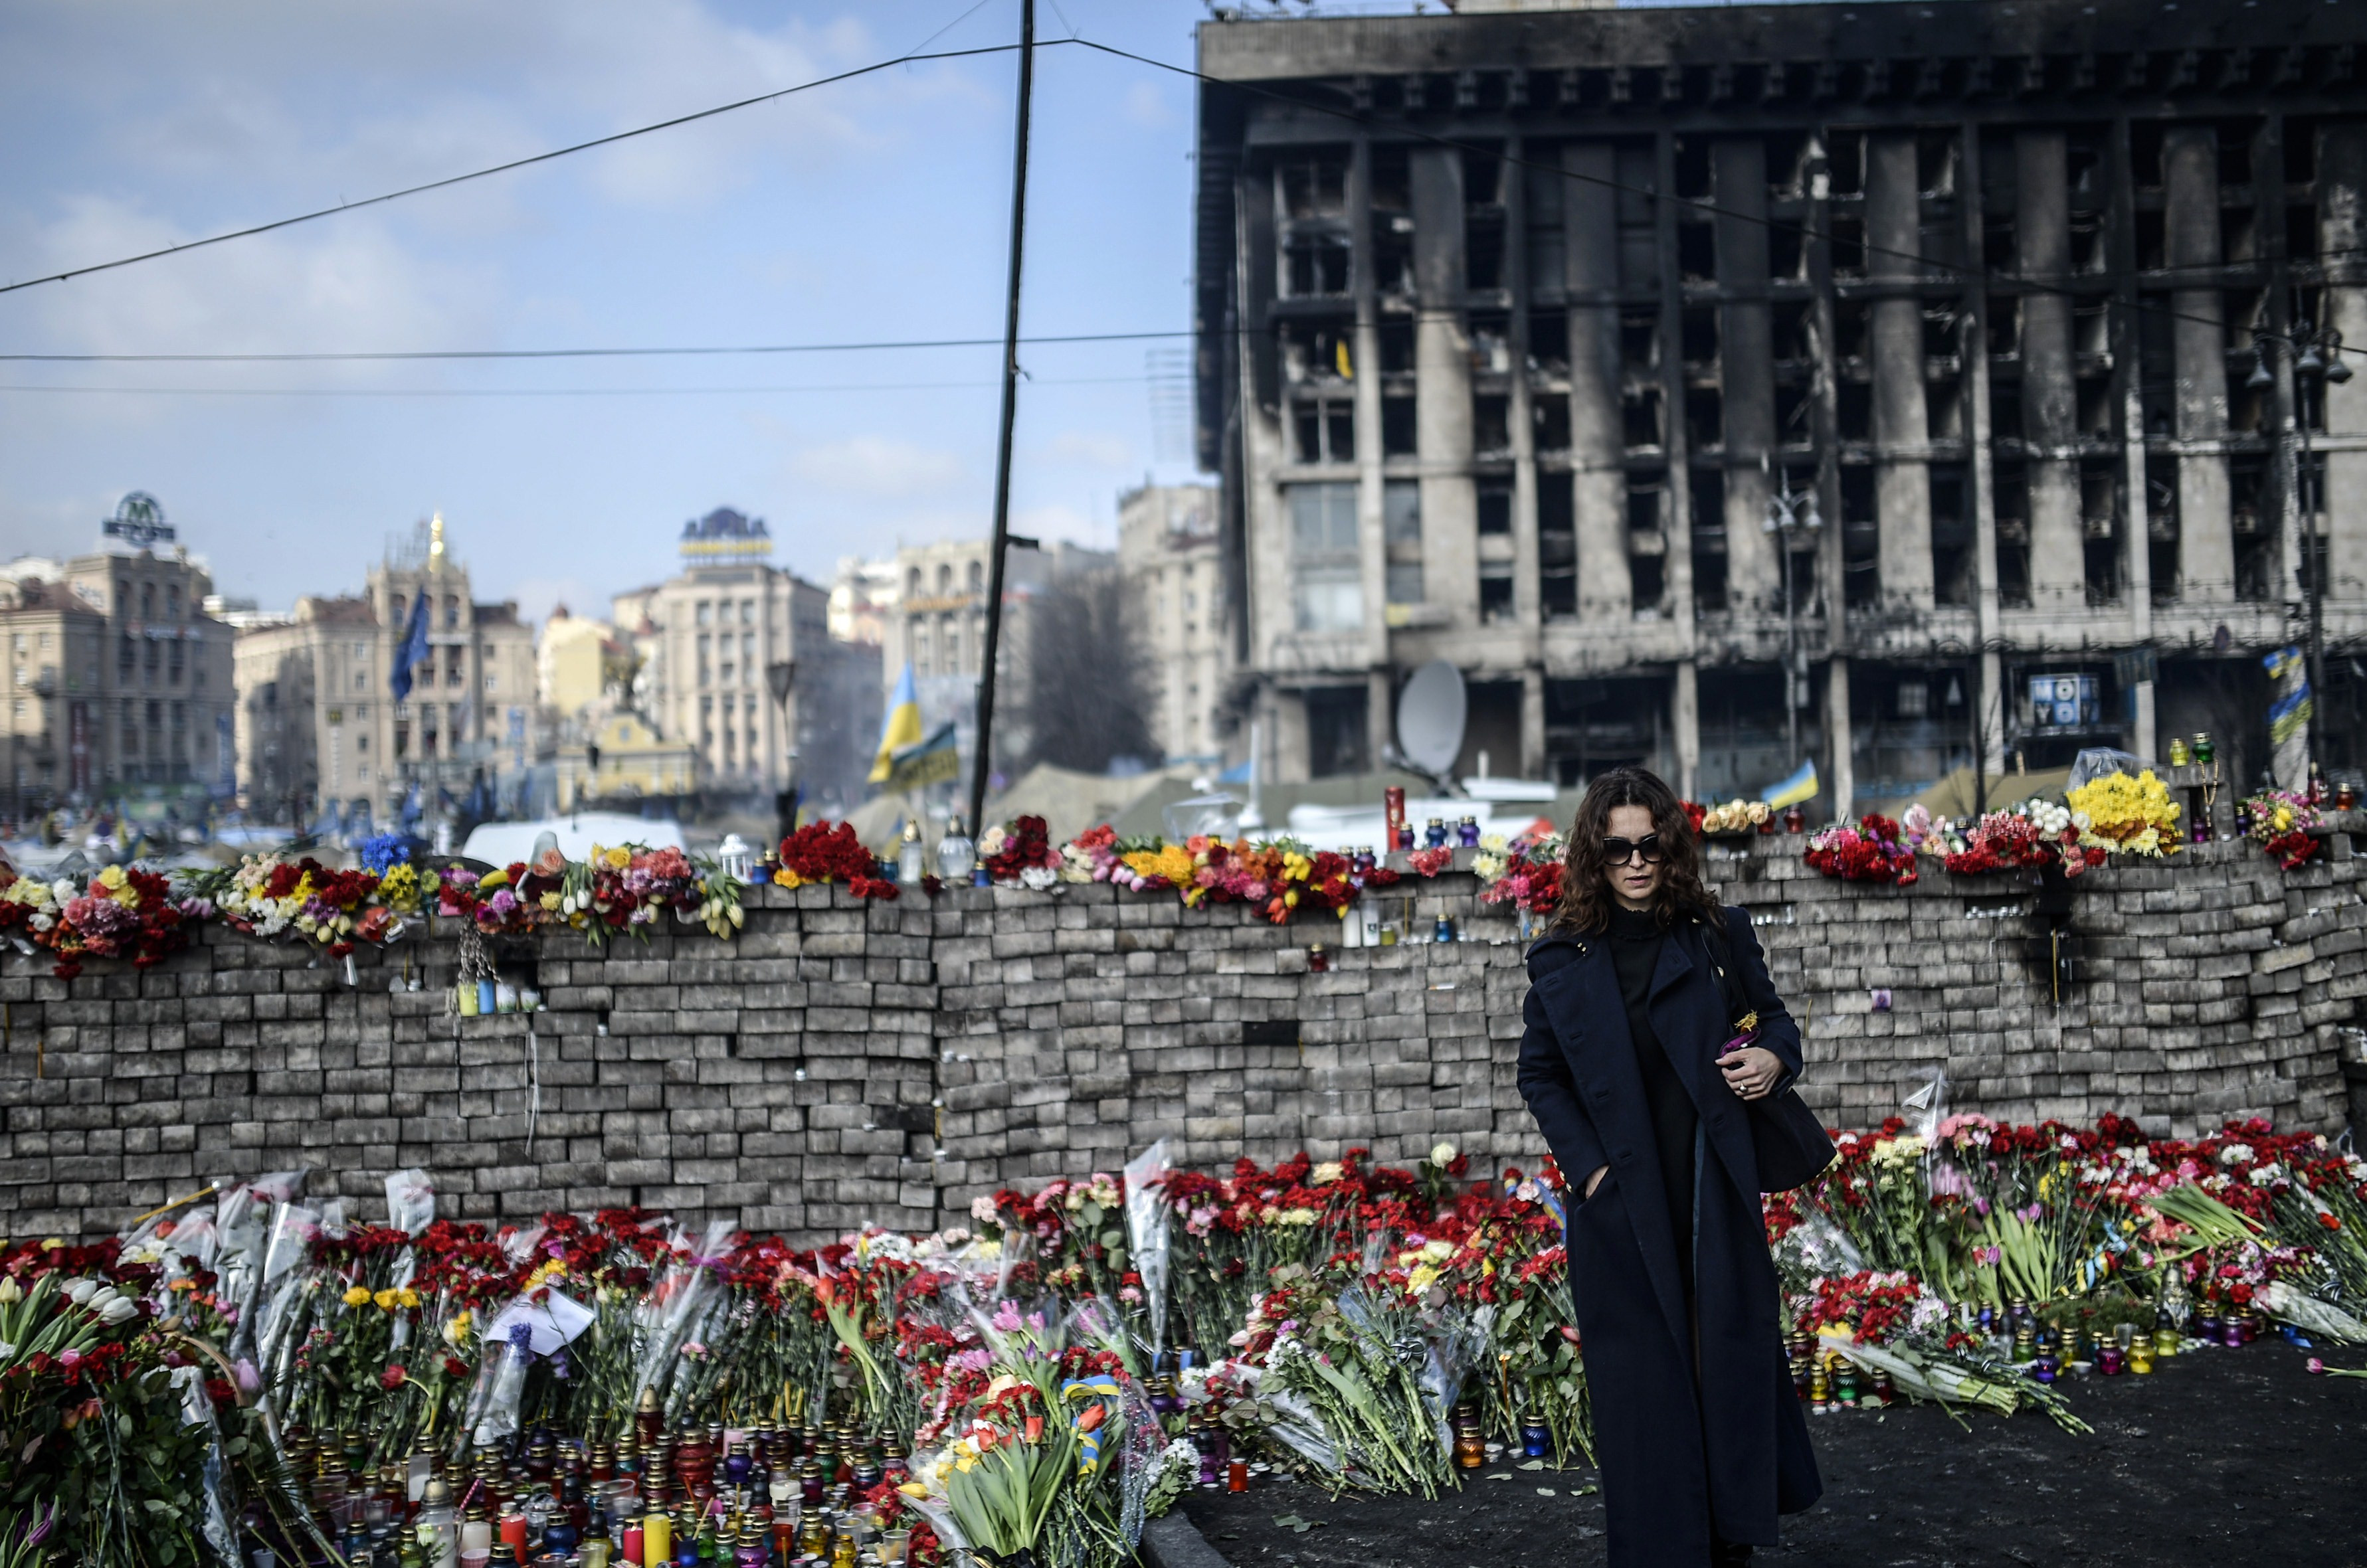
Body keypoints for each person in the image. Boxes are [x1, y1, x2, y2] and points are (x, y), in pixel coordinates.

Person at [1516, 766, 1821, 1567]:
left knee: (1720, 1364)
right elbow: (1538, 1075)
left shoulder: (1716, 933)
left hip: (1706, 1193)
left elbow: (1781, 1023)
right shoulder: (1560, 959)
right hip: (1621, 1205)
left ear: (1670, 846)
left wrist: (1768, 1058)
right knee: (1644, 1395)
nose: (1635, 862)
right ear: (1593, 855)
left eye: (1649, 845)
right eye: (1616, 850)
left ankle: (1728, 1544)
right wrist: (1588, 1174)